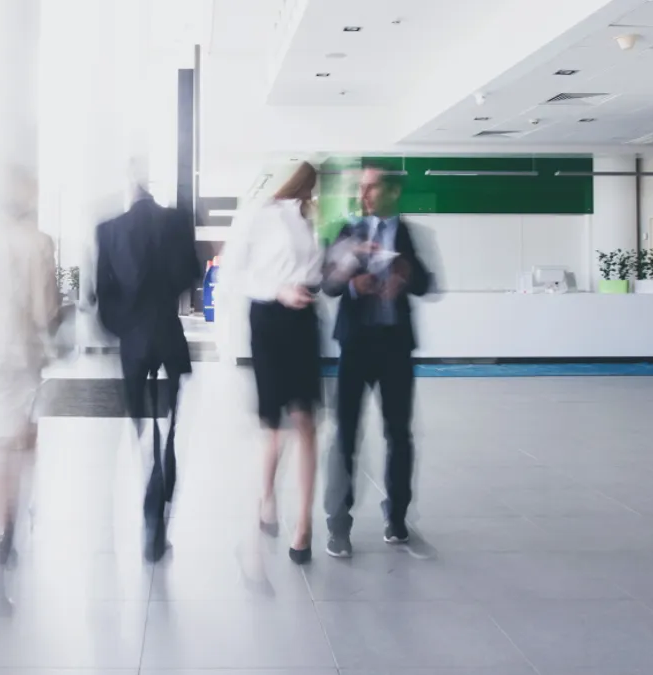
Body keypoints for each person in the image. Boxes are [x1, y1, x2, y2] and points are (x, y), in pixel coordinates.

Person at [321, 165, 433, 559]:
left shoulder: (409, 235)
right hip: (354, 347)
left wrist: (406, 275)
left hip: (395, 348)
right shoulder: (346, 233)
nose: (364, 195)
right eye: (361, 188)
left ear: (389, 192)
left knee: (398, 435)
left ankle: (397, 518)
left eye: (371, 188)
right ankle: (338, 524)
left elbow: (428, 285)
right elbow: (328, 285)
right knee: (345, 435)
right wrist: (352, 283)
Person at [94, 181, 200, 563]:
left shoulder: (109, 230)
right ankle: (160, 496)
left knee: (141, 427)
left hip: (134, 343)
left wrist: (127, 328)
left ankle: (150, 493)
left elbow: (102, 294)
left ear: (130, 194)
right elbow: (191, 274)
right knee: (171, 426)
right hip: (169, 335)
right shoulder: (175, 222)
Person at [222, 161, 323, 564]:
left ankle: (304, 525)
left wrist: (321, 278)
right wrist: (279, 291)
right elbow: (233, 273)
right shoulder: (258, 215)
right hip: (269, 319)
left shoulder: (307, 221)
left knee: (306, 421)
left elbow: (311, 269)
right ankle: (266, 497)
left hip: (304, 320)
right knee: (274, 426)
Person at [0, 169, 60, 568]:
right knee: (25, 435)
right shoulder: (40, 243)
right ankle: (24, 502)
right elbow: (46, 310)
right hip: (26, 352)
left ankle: (2, 523)